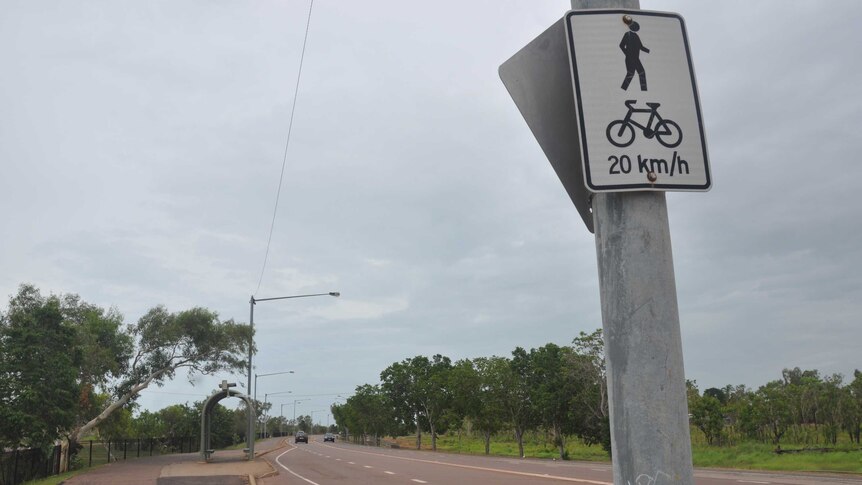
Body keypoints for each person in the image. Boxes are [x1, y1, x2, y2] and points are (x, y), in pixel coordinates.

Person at [619, 21, 649, 91]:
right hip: (629, 59)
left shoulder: (636, 36)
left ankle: (644, 90)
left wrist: (649, 51)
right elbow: (621, 45)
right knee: (631, 73)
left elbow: (641, 47)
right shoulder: (627, 34)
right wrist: (626, 53)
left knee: (642, 72)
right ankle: (623, 89)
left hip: (636, 59)